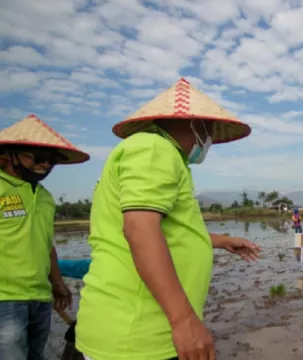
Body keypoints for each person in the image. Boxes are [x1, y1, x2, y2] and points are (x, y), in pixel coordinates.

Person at [75, 78, 262, 360]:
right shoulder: (154, 149)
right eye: (208, 128)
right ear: (193, 123)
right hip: (137, 335)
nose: (210, 137)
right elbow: (140, 229)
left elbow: (166, 229)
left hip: (141, 334)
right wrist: (183, 320)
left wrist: (220, 241)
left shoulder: (165, 157)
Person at [0, 115, 90, 360]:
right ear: (8, 154)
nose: (44, 165)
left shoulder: (45, 197)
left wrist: (57, 282)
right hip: (4, 298)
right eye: (35, 157)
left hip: (39, 294)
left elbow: (45, 242)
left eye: (51, 160)